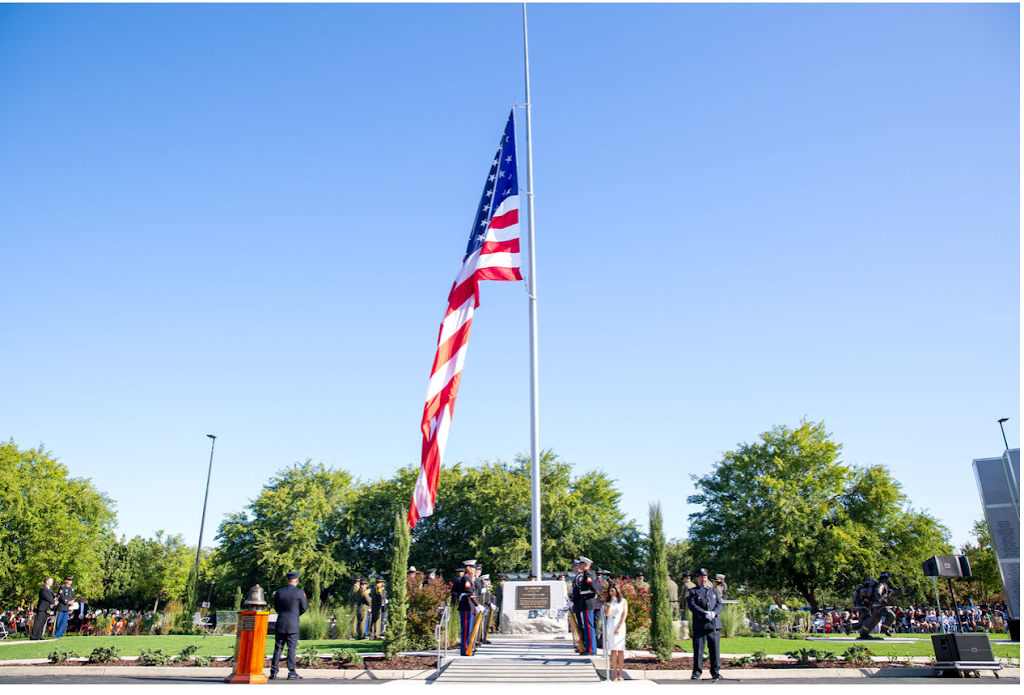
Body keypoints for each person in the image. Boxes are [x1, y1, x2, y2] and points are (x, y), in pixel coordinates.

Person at [686, 568, 723, 682]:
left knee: (715, 650)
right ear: (697, 579)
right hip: (700, 625)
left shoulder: (713, 591)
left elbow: (719, 604)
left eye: (705, 578)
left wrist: (714, 613)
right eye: (701, 578)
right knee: (699, 650)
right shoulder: (693, 592)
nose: (703, 580)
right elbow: (692, 606)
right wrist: (704, 614)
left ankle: (715, 672)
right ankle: (697, 672)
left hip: (713, 625)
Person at [270, 571, 308, 680]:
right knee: (291, 648)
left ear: (287, 580)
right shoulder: (300, 593)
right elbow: (304, 607)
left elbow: (276, 607)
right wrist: (296, 615)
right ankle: (291, 671)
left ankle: (273, 671)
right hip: (293, 624)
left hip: (281, 622)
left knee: (278, 647)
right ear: (296, 581)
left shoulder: (279, 593)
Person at [452, 560, 483, 655]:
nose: (474, 570)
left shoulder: (469, 578)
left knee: (469, 629)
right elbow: (470, 593)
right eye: (473, 568)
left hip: (470, 606)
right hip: (466, 606)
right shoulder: (466, 578)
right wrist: (478, 605)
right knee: (466, 630)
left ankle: (468, 647)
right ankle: (465, 649)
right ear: (469, 568)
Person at [573, 557, 600, 655]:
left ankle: (592, 649)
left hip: (588, 603)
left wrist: (585, 595)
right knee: (587, 626)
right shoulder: (584, 575)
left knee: (589, 626)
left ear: (586, 565)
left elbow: (593, 590)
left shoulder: (588, 576)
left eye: (581, 564)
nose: (579, 566)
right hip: (585, 603)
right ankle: (589, 648)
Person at [603, 582, 628, 681]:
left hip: (619, 625)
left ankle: (621, 674)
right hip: (611, 624)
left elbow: (624, 614)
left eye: (613, 591)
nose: (611, 593)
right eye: (610, 591)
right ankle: (614, 674)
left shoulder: (623, 601)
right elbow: (606, 613)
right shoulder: (607, 602)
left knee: (620, 649)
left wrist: (620, 626)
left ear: (617, 591)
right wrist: (610, 603)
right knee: (613, 650)